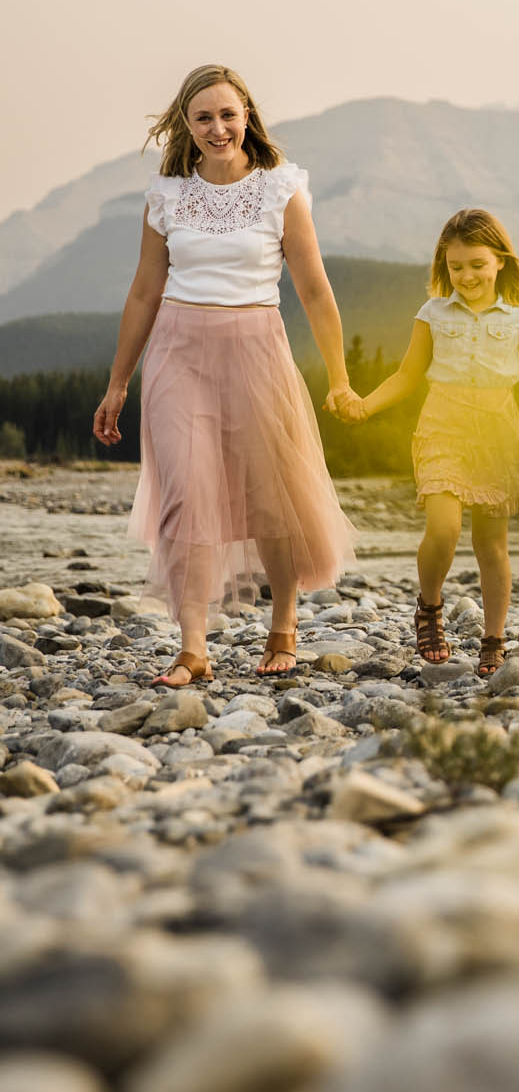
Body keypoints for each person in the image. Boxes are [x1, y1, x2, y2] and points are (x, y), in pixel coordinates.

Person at [92, 64, 358, 685]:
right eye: (204, 117)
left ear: (247, 117)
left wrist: (340, 378)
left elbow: (315, 292)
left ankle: (283, 623)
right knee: (185, 492)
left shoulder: (281, 190)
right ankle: (192, 648)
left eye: (228, 115)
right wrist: (118, 382)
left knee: (270, 493)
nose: (218, 128)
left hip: (256, 350)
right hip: (177, 353)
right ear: (185, 125)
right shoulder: (166, 197)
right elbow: (143, 293)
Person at [333, 208, 519, 677]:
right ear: (444, 266)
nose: (467, 275)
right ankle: (430, 608)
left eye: (477, 264)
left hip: (498, 435)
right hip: (443, 428)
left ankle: (493, 640)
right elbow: (407, 375)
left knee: (491, 545)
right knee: (444, 527)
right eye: (456, 267)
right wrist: (365, 407)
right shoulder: (433, 313)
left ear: (500, 261)